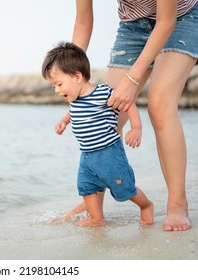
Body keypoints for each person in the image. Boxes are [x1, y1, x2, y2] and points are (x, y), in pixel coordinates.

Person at [66, 0, 197, 231]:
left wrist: (132, 80)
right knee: (105, 112)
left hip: (181, 19)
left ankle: (177, 203)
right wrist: (67, 71)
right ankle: (93, 202)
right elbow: (83, 21)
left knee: (159, 105)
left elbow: (166, 21)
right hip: (132, 26)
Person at [42, 41, 154, 227]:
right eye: (54, 86)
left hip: (109, 152)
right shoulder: (75, 100)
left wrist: (136, 127)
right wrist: (63, 121)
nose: (57, 90)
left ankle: (146, 206)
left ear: (77, 76)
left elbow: (128, 103)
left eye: (59, 84)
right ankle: (97, 218)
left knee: (124, 188)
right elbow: (74, 112)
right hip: (87, 155)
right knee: (86, 187)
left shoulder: (103, 93)